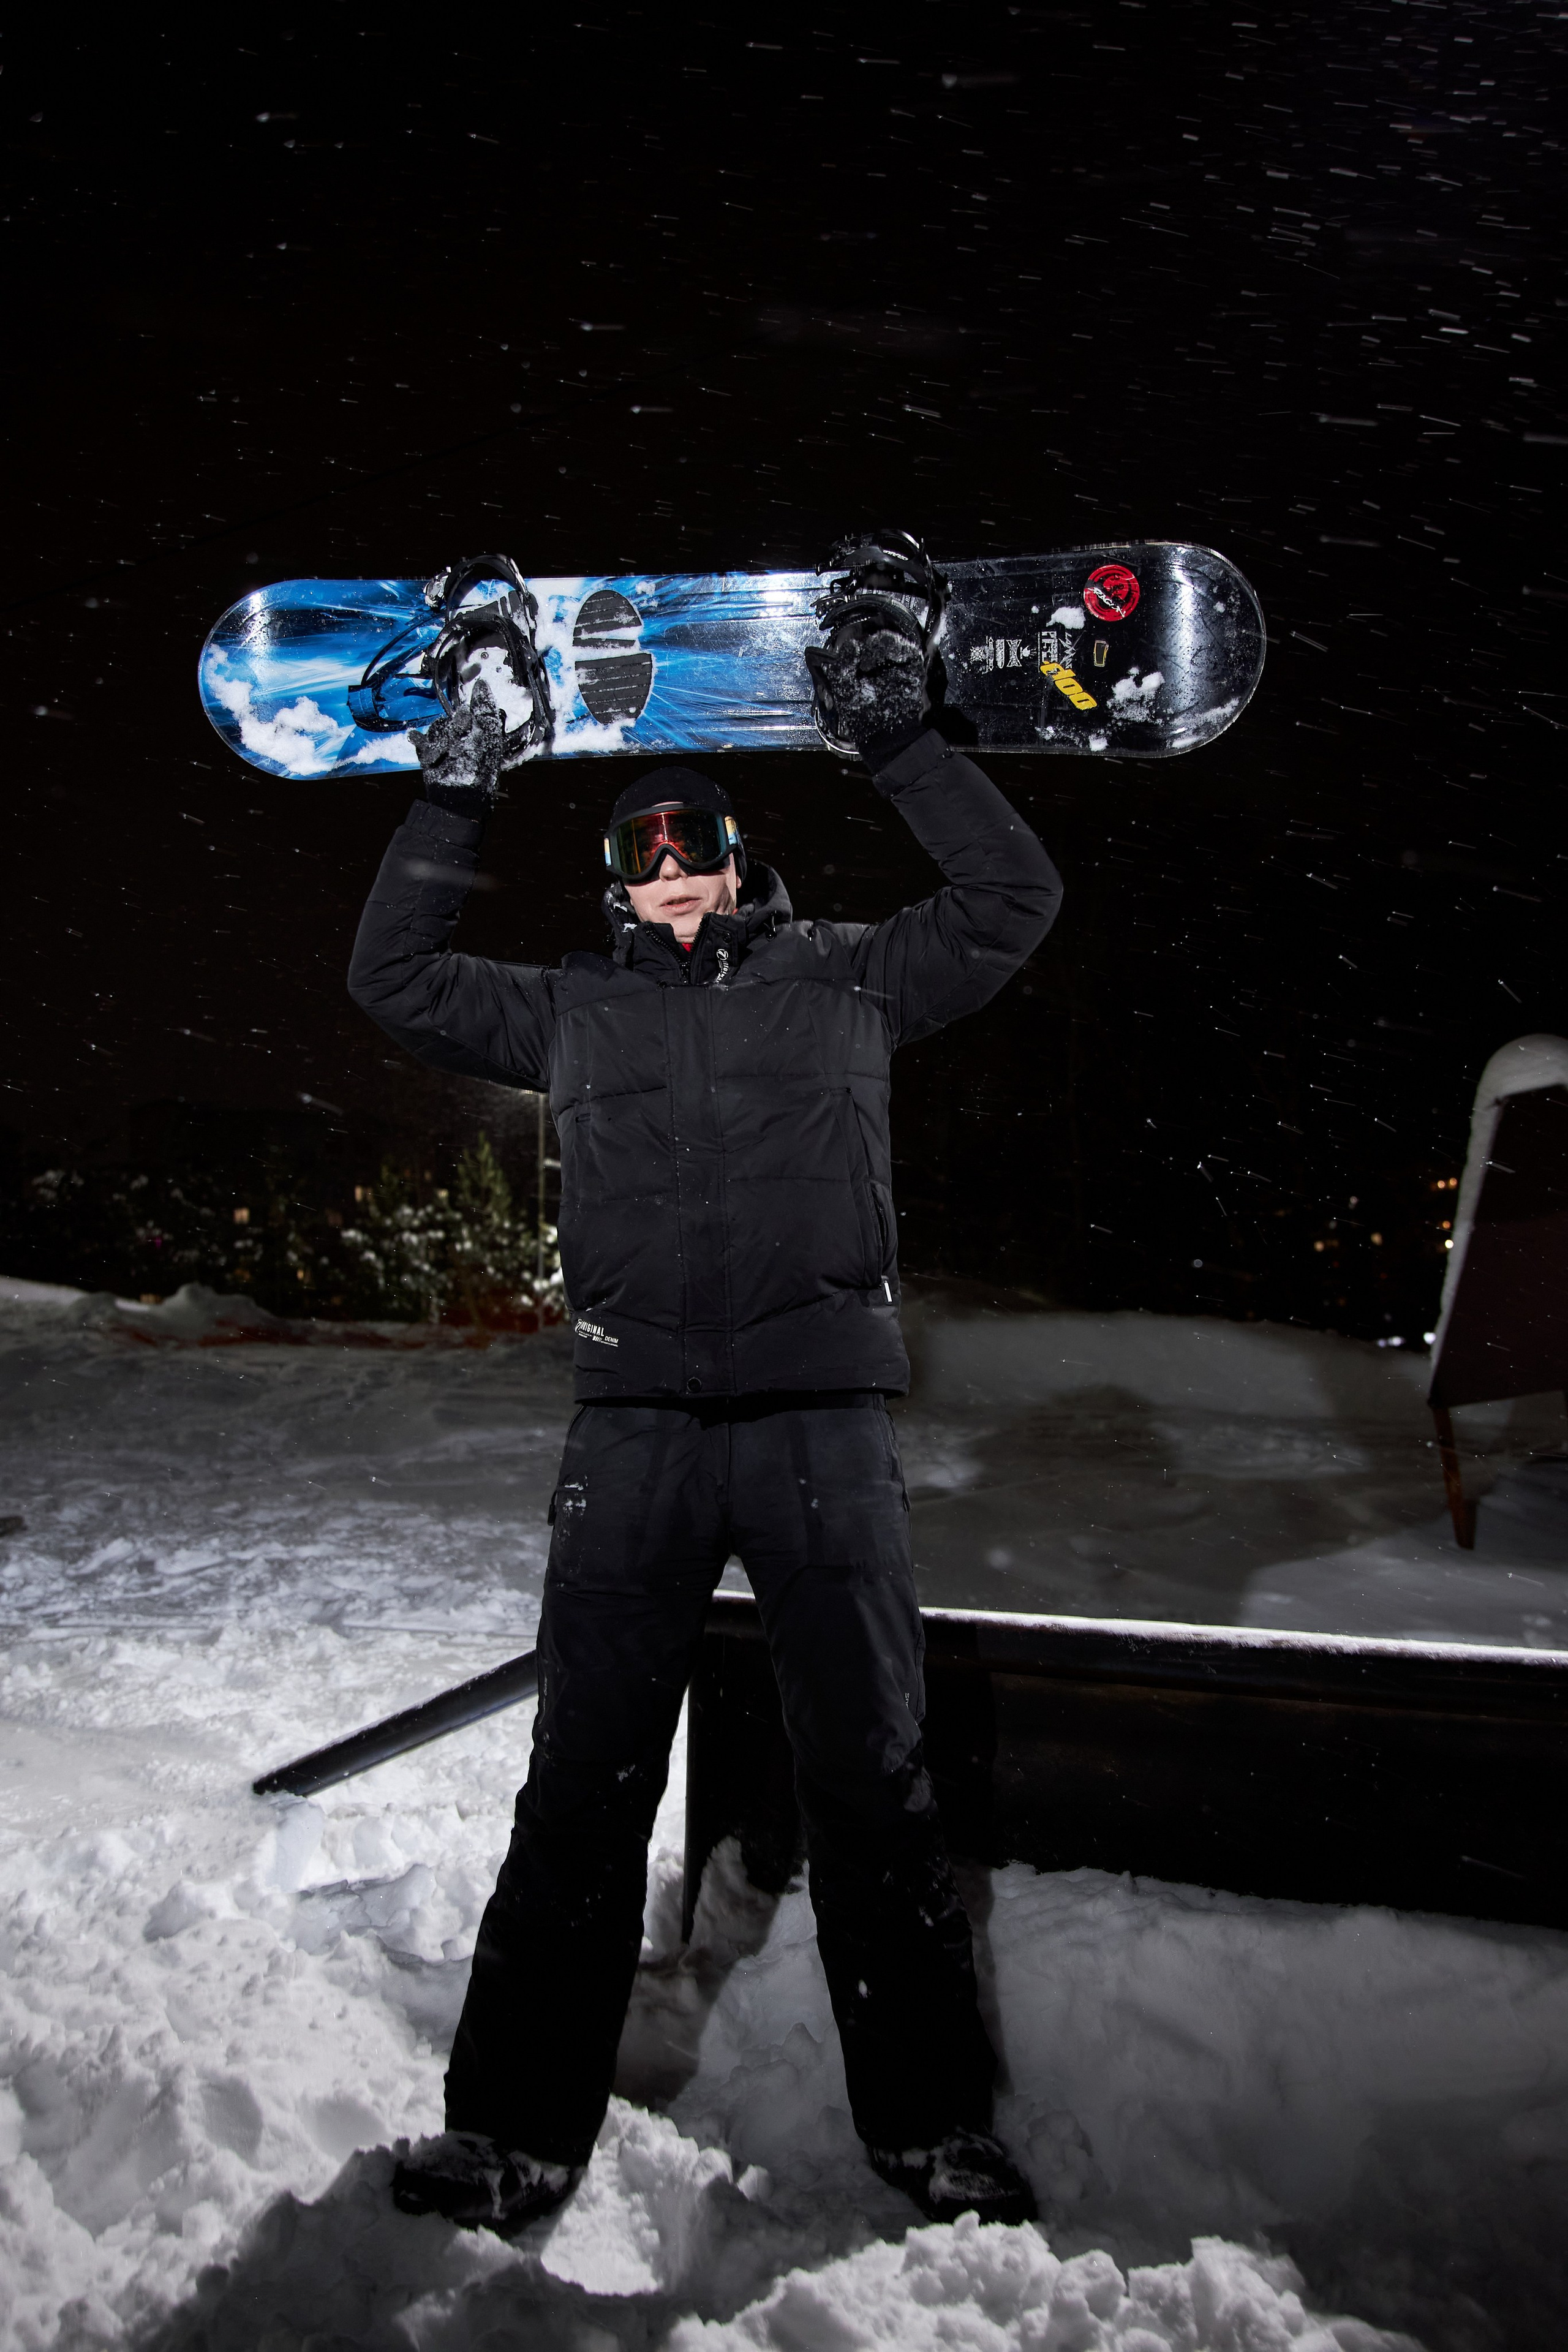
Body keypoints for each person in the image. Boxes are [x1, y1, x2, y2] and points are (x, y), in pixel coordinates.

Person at [346, 537, 1064, 2239]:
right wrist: (458, 790)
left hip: (820, 1429)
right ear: (613, 877)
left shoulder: (853, 981)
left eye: (699, 846)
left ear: (745, 859)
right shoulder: (573, 1013)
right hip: (638, 1434)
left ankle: (931, 2133)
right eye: (640, 852)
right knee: (581, 1783)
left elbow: (1013, 903)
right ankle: (514, 2133)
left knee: (875, 1786)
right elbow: (393, 980)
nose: (673, 874)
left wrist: (901, 743)